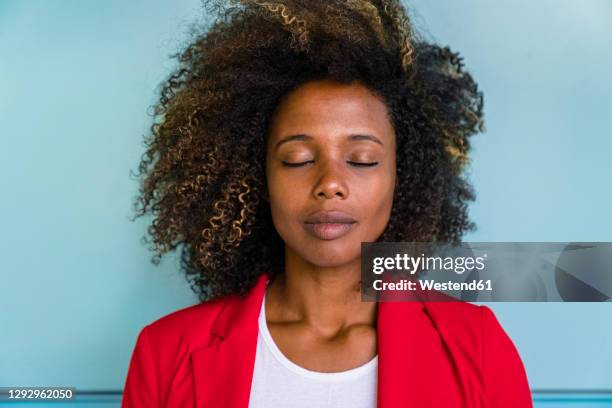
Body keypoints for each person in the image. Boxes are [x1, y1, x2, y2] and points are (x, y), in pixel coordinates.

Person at [123, 0, 533, 406]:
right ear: (258, 176)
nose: (330, 183)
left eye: (362, 160)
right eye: (297, 159)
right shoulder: (165, 354)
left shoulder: (478, 348)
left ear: (400, 176)